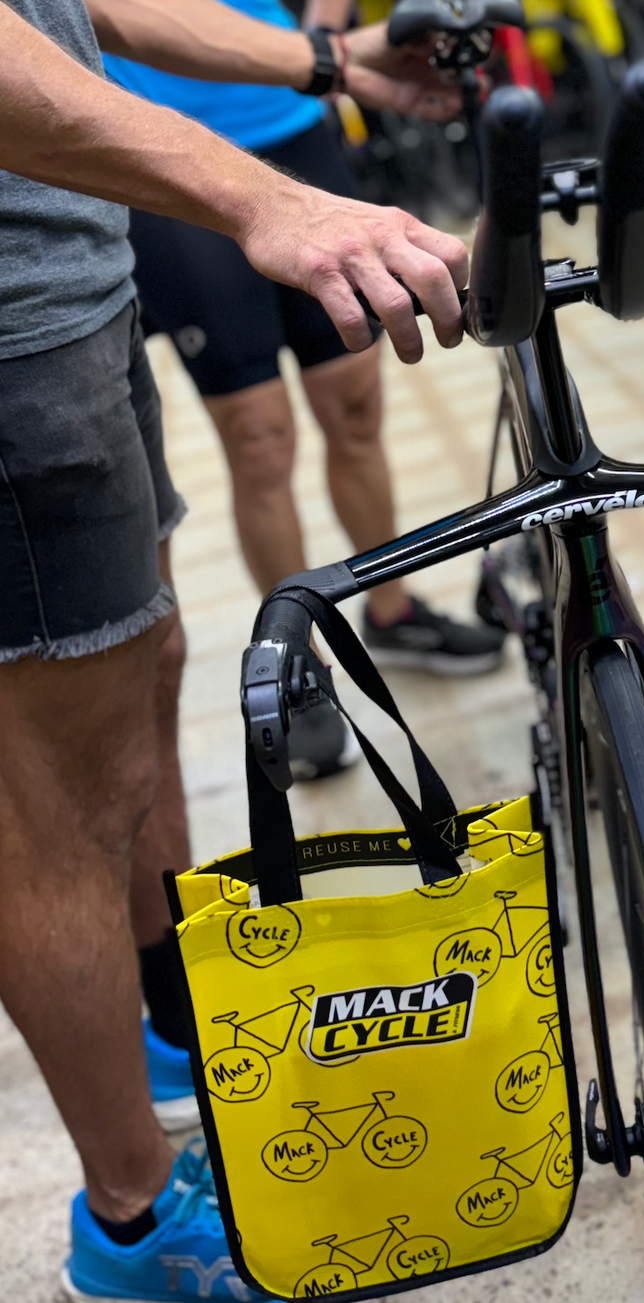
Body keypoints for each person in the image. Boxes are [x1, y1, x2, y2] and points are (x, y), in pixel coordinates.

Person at [0, 1, 469, 1298]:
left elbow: (76, 6)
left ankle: (162, 1030)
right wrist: (260, 196)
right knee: (50, 811)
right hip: (11, 341)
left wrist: (328, 62)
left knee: (146, 682)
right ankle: (134, 1219)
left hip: (71, 290)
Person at [103, 11, 506, 786]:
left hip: (291, 120)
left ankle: (392, 612)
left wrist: (326, 32)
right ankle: (299, 663)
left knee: (354, 403)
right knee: (259, 436)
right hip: (170, 157)